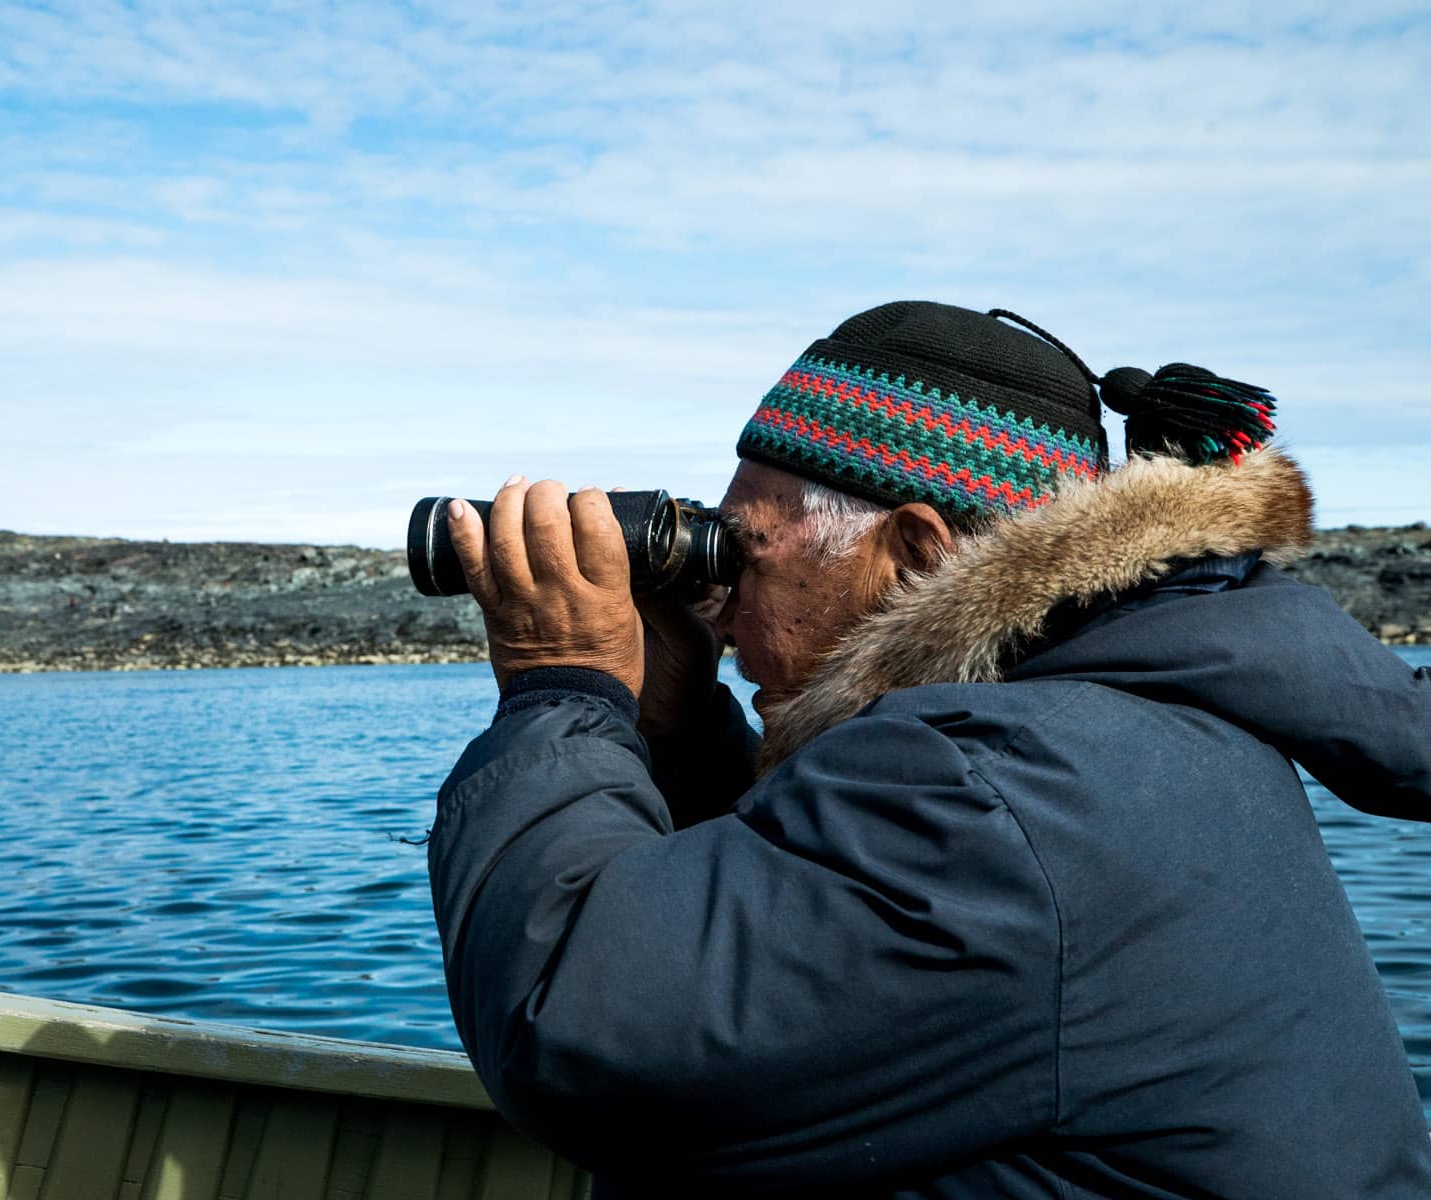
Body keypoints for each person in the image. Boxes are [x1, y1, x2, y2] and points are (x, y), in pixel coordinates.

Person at [425, 301, 1431, 1197]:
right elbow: (781, 919)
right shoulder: (1110, 726)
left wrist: (561, 684)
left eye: (747, 551)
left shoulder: (1002, 787)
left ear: (915, 554)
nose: (722, 600)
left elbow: (576, 1040)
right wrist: (679, 734)